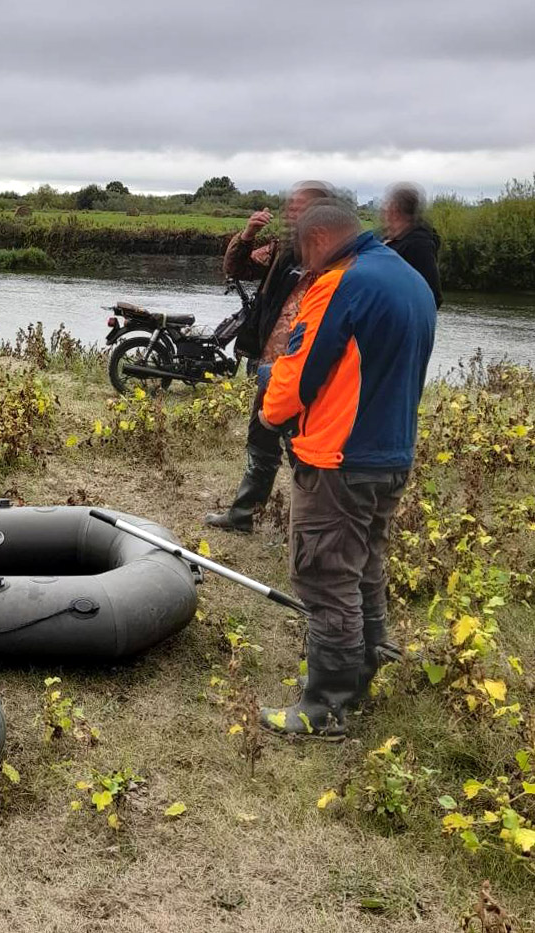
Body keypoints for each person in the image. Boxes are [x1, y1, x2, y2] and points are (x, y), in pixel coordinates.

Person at [257, 199, 436, 739]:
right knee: (364, 563)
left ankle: (325, 706)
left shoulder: (340, 283)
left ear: (316, 244)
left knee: (324, 572)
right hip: (391, 453)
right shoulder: (412, 281)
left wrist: (268, 402)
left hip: (338, 457)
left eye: (305, 260)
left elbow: (298, 374)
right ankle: (368, 662)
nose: (306, 272)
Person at [205, 180, 336, 533]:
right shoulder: (284, 250)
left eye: (300, 206)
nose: (291, 212)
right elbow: (238, 269)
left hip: (304, 373)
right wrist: (247, 234)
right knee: (261, 442)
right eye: (290, 206)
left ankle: (317, 527)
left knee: (302, 451)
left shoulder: (337, 260)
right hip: (270, 368)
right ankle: (242, 516)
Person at [381, 182, 442, 307]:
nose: (384, 211)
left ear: (395, 210)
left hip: (401, 318)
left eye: (387, 206)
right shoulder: (386, 239)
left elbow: (432, 295)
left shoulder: (419, 245)